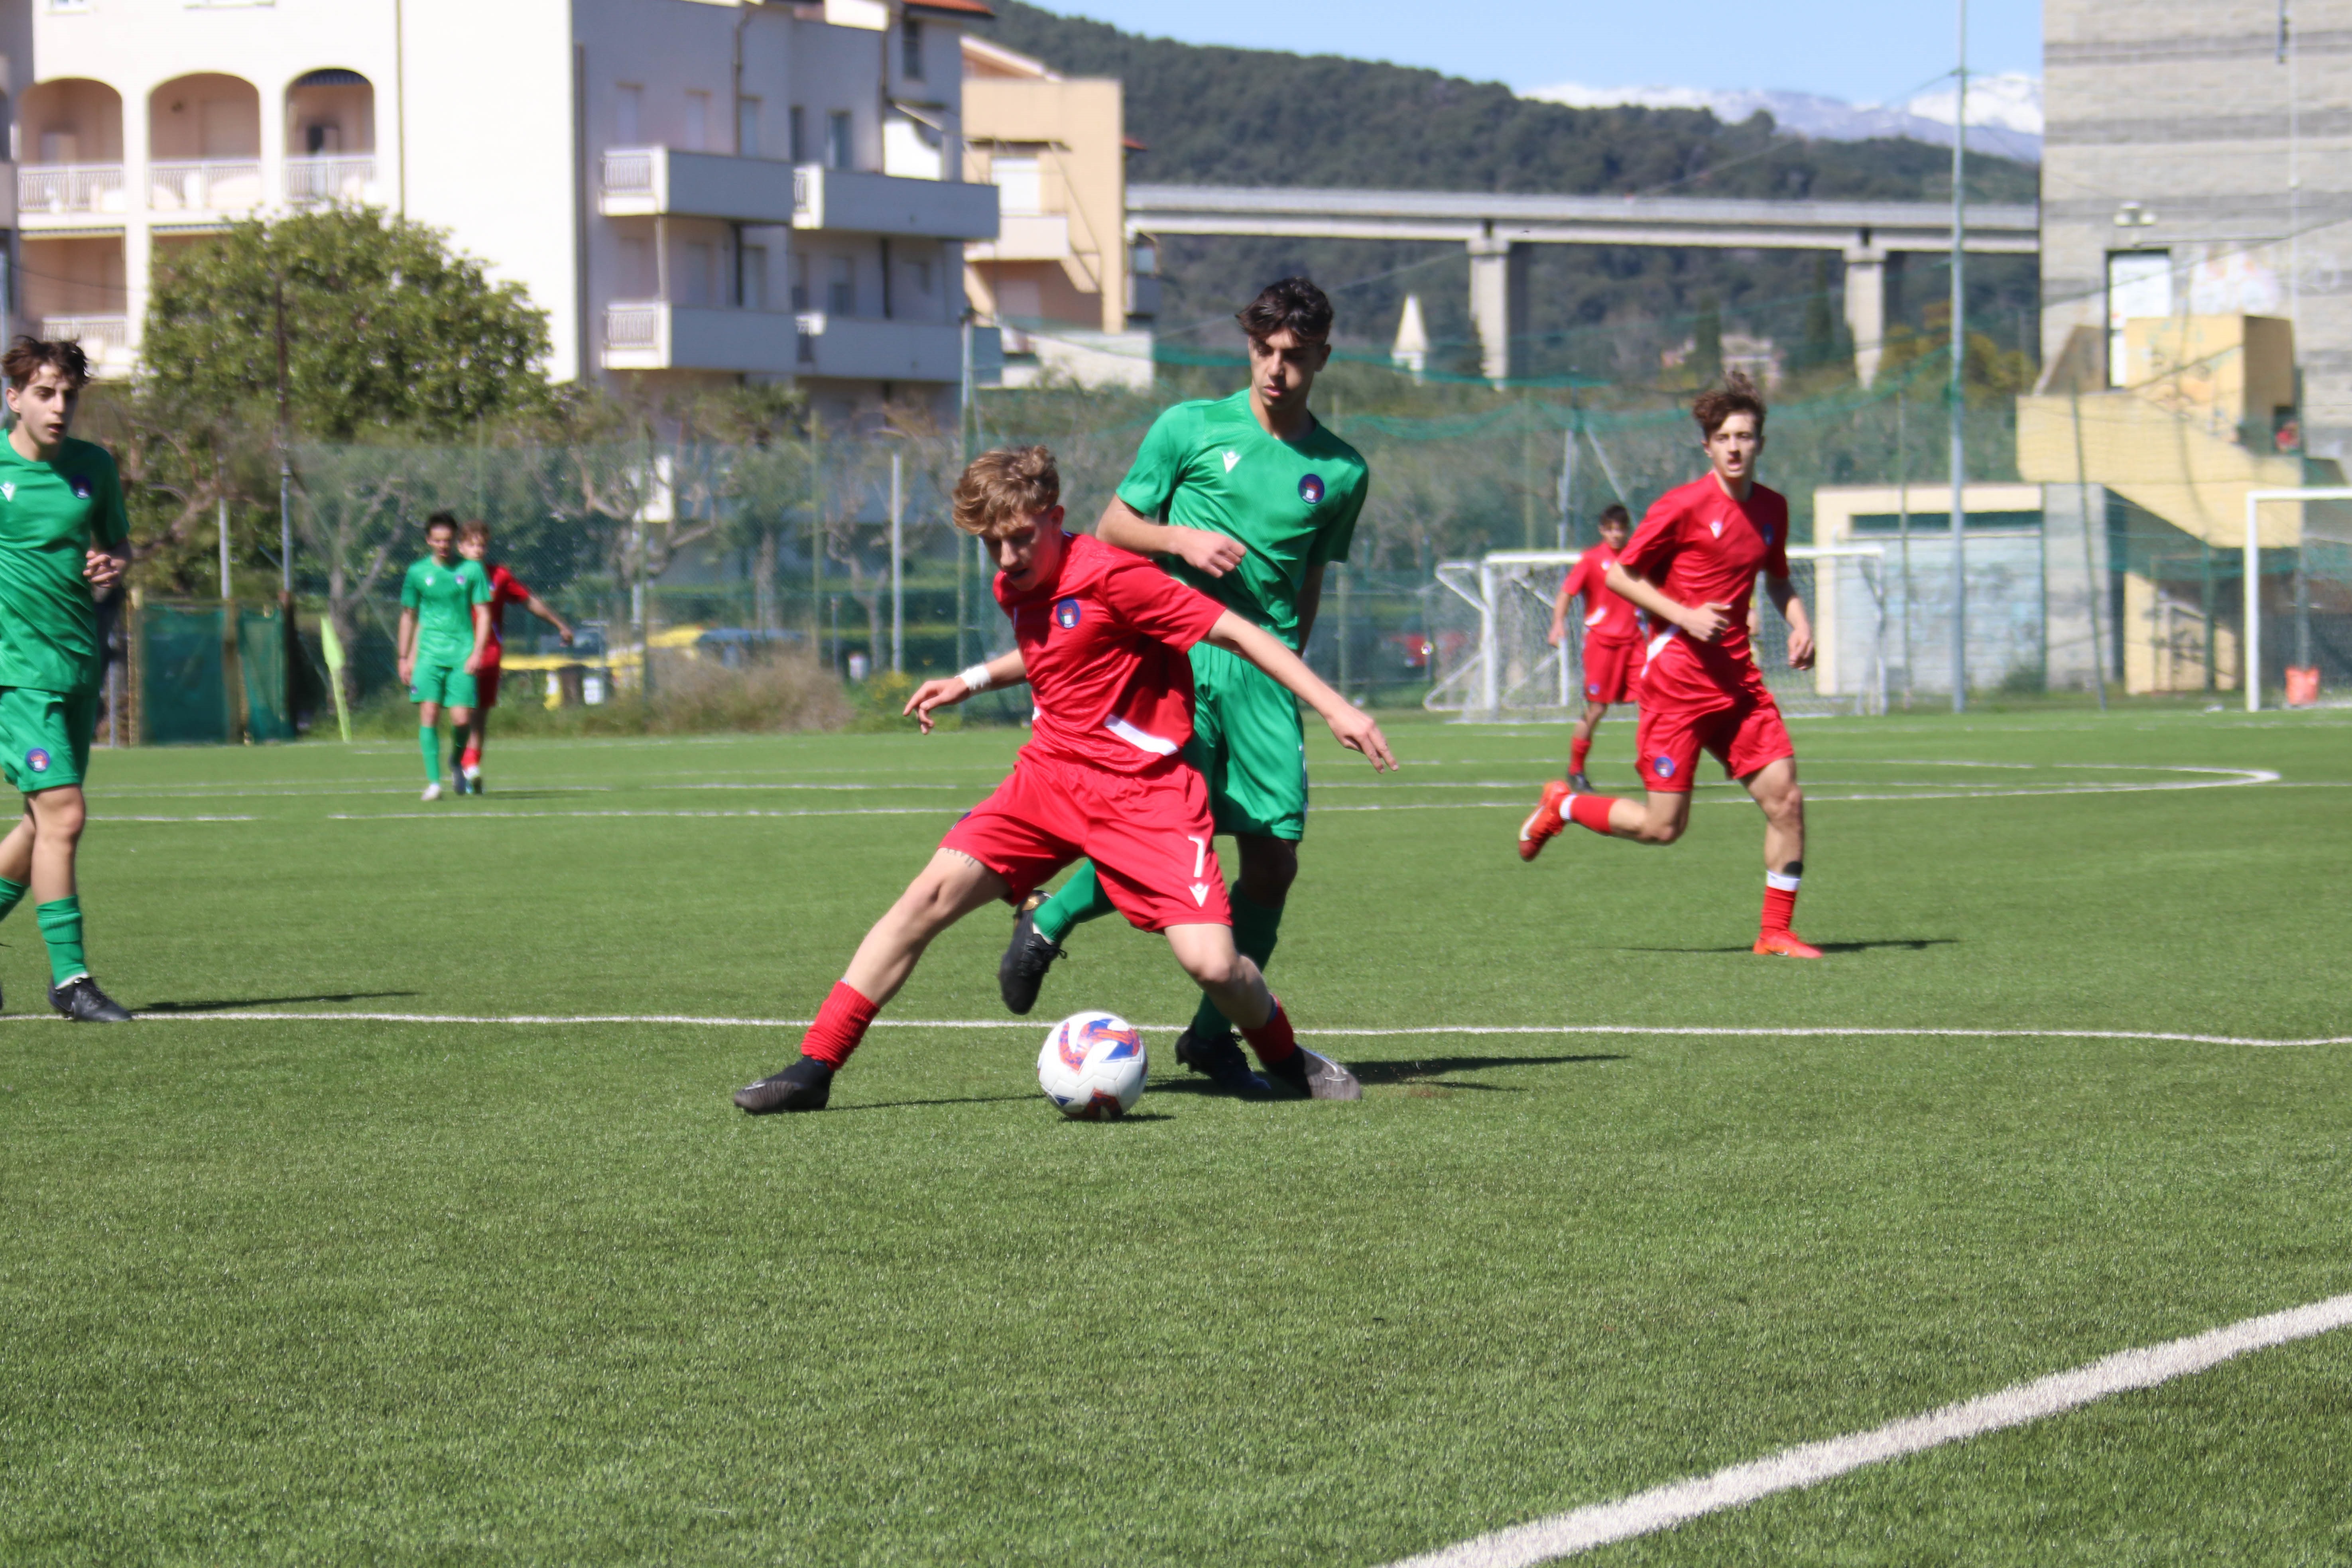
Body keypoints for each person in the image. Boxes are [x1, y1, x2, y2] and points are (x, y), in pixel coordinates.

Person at [734, 446, 1395, 1114]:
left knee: (1214, 965)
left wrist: (1335, 706)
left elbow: (1238, 633)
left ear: (1055, 518)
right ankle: (814, 1066)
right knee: (923, 899)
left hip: (1146, 793)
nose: (1006, 558)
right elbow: (1052, 647)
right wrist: (968, 681)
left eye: (1020, 538)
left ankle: (1286, 1059)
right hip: (1049, 778)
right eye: (991, 544)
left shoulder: (1117, 577)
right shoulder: (1012, 579)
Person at [994, 277, 1370, 1097]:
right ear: (1250, 349)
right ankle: (1051, 919)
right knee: (1168, 843)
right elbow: (1112, 530)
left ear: (1322, 360)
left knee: (1273, 865)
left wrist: (1292, 662)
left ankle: (1210, 1038)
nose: (1277, 370)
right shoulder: (1190, 428)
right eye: (1265, 352)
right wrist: (1182, 539)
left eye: (1296, 357)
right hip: (1177, 663)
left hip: (1263, 673)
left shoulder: (1341, 471)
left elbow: (1308, 578)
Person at [1515, 373, 1821, 958]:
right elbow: (1617, 574)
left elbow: (1777, 578)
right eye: (1724, 437)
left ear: (1760, 443)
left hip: (1737, 683)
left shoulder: (1771, 510)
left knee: (1785, 799)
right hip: (1676, 682)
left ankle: (1774, 931)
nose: (1735, 447)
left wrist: (1800, 621)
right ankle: (1564, 804)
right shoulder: (1680, 507)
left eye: (1746, 436)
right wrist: (1684, 614)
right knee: (1662, 827)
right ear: (1705, 446)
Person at [0, 335, 133, 1020]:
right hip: (15, 676)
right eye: (44, 393)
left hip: (76, 664)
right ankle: (70, 979)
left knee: (40, 820)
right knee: (66, 813)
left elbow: (117, 541)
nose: (58, 407)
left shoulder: (93, 467)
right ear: (13, 397)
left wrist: (112, 563)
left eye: (68, 395)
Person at [1532, 502, 1641, 814]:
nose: (1617, 535)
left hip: (1634, 643)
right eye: (1611, 529)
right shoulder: (1592, 560)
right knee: (1596, 709)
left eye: (1622, 529)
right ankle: (1576, 769)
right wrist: (1557, 622)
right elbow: (1567, 592)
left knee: (1652, 700)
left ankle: (1651, 764)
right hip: (1602, 644)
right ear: (1602, 530)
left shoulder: (1636, 557)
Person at [451, 520, 573, 795]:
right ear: (460, 547)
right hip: (458, 653)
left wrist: (560, 624)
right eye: (471, 544)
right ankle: (461, 761)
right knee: (463, 713)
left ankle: (471, 767)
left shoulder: (499, 576)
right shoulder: (451, 576)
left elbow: (529, 600)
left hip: (490, 654)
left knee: (480, 715)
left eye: (482, 545)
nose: (477, 550)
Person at [396, 512, 492, 803]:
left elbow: (484, 614)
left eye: (448, 540)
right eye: (437, 540)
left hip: (462, 655)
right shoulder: (416, 573)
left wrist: (477, 652)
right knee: (429, 713)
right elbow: (408, 616)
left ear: (455, 540)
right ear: (428, 540)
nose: (442, 545)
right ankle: (434, 783)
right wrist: (404, 657)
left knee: (462, 719)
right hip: (428, 656)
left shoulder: (472, 571)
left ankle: (457, 761)